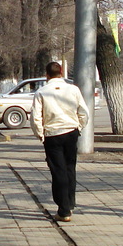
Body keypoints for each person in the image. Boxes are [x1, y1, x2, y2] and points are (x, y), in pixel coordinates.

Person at [29, 61, 89, 223]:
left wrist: (40, 135)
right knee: (70, 168)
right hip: (71, 132)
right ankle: (70, 202)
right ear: (61, 73)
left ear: (46, 75)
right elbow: (83, 111)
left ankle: (63, 210)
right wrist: (79, 127)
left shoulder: (41, 92)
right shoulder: (73, 89)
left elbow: (35, 118)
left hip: (52, 134)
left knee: (58, 171)